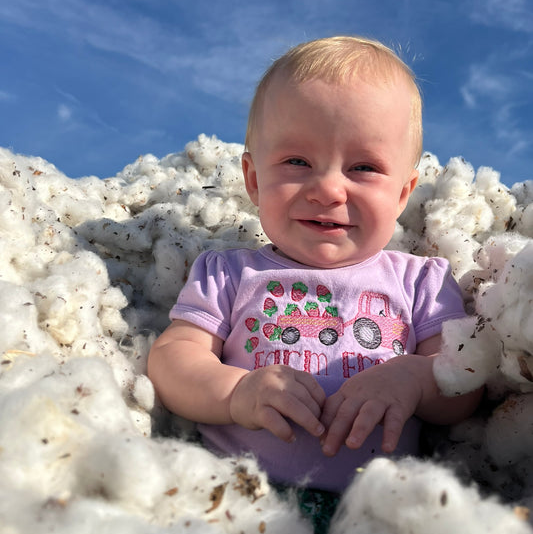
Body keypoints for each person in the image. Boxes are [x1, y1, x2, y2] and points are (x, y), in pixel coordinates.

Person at [147, 35, 481, 501]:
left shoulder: (421, 280)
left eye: (363, 167)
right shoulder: (226, 272)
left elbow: (461, 388)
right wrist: (237, 392)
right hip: (237, 496)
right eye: (297, 161)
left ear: (403, 194)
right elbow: (172, 359)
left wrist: (412, 378)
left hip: (377, 508)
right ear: (254, 179)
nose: (328, 190)